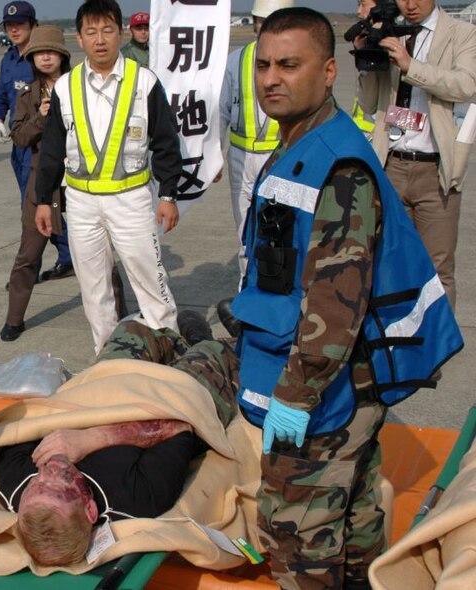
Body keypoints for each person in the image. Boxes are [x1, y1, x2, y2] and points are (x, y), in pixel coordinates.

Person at [220, 7, 460, 588]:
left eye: (289, 65)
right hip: (336, 380)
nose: (271, 78)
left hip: (327, 388)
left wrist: (294, 399)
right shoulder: (302, 143)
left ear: (328, 72)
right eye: (264, 65)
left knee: (297, 535)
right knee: (351, 521)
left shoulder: (339, 168)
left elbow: (335, 306)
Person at [0, 312, 219, 566]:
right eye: (61, 486)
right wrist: (93, 438)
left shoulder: (14, 482)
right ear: (90, 509)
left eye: (36, 485)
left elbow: (32, 419)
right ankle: (201, 343)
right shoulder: (138, 499)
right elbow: (181, 425)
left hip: (102, 394)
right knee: (221, 355)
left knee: (134, 329)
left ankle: (176, 343)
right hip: (167, 400)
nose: (49, 470)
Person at [35, 0, 184, 354]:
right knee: (94, 287)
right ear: (80, 39)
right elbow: (53, 150)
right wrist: (45, 200)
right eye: (91, 32)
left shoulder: (143, 81)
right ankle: (107, 356)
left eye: (107, 30)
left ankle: (170, 350)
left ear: (119, 34)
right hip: (82, 204)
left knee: (149, 279)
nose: (100, 40)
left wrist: (168, 194)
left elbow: (165, 141)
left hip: (130, 200)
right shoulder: (65, 88)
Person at [1, 25, 127, 342]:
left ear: (62, 56)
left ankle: (119, 316)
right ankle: (14, 318)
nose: (45, 57)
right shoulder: (27, 95)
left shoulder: (83, 86)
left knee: (102, 251)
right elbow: (19, 136)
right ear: (31, 58)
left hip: (84, 177)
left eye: (51, 51)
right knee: (29, 251)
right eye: (39, 53)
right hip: (43, 179)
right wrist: (41, 116)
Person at [356, 0, 476, 311]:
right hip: (392, 164)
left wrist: (411, 66)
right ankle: (396, 346)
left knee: (437, 269)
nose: (409, 4)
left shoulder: (461, 33)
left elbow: (465, 85)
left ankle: (436, 351)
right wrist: (367, 59)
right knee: (391, 264)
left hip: (434, 171)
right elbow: (369, 104)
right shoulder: (390, 32)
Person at [0, 1, 74, 283]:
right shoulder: (8, 59)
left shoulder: (43, 62)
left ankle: (28, 269)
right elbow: (1, 94)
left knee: (39, 207)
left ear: (33, 26)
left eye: (20, 25)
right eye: (9, 26)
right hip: (20, 144)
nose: (14, 30)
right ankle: (67, 257)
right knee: (37, 206)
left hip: (42, 148)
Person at [219, 0, 294, 277]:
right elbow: (221, 111)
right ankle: (247, 287)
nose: (266, 29)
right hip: (241, 158)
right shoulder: (236, 60)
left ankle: (280, 291)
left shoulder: (295, 63)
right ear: (253, 22)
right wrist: (214, 155)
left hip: (283, 156)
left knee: (283, 229)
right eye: (262, 21)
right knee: (245, 231)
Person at [348, 0, 377, 136]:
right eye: (358, 5)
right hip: (369, 132)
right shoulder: (365, 42)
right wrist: (361, 52)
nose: (359, 11)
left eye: (363, 4)